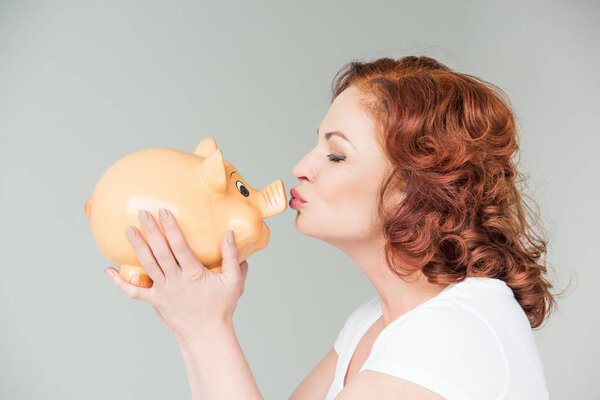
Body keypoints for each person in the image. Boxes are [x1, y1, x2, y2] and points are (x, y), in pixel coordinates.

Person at [105, 55, 556, 400]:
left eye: (336, 155)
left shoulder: (455, 332)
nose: (301, 166)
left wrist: (207, 329)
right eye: (316, 144)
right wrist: (191, 327)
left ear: (415, 188)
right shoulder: (370, 326)